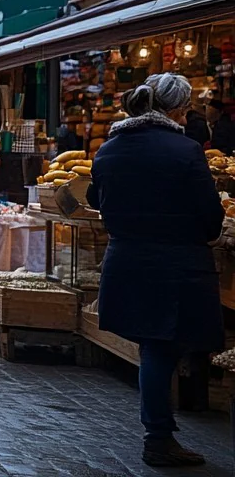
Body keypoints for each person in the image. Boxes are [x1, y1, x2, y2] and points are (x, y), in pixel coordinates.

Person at [89, 73, 223, 467]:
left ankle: (160, 434)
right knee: (161, 349)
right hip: (175, 265)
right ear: (179, 108)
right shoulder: (185, 150)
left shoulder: (109, 148)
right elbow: (211, 217)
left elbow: (99, 199)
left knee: (156, 347)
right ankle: (159, 438)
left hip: (128, 259)